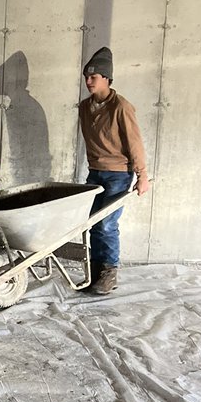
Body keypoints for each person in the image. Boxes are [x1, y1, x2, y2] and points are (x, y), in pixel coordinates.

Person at [78, 46, 149, 295]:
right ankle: (95, 273)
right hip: (94, 172)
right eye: (86, 76)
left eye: (93, 77)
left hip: (118, 175)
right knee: (92, 223)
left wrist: (142, 176)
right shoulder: (85, 107)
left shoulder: (121, 107)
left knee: (107, 224)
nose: (88, 81)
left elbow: (134, 142)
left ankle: (109, 274)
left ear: (107, 78)